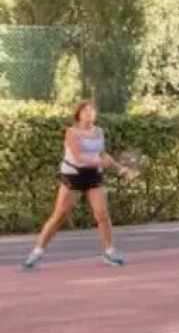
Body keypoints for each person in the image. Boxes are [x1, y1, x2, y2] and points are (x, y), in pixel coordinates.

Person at [22, 99, 137, 269]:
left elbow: (102, 154)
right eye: (85, 111)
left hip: (93, 177)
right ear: (78, 114)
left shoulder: (99, 132)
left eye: (92, 110)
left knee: (102, 214)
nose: (89, 113)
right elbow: (78, 159)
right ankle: (37, 252)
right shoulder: (72, 133)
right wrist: (100, 163)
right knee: (59, 216)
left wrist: (120, 168)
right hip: (73, 176)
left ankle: (109, 252)